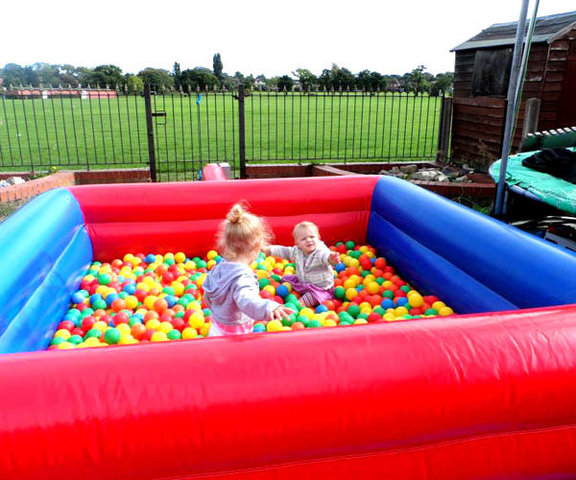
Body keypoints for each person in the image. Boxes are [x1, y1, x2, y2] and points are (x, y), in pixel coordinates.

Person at [203, 203, 293, 336]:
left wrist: (218, 311)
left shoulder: (219, 267)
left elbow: (207, 293)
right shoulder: (243, 276)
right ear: (257, 247)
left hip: (216, 328)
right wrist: (269, 307)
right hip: (236, 334)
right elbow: (247, 301)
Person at [263, 221, 339, 308]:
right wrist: (268, 250)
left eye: (312, 237)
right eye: (303, 239)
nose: (309, 240)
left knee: (310, 297)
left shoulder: (320, 251)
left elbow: (325, 257)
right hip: (303, 282)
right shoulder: (297, 251)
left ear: (318, 238)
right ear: (297, 244)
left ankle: (296, 306)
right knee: (286, 280)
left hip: (320, 289)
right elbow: (284, 251)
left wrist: (331, 259)